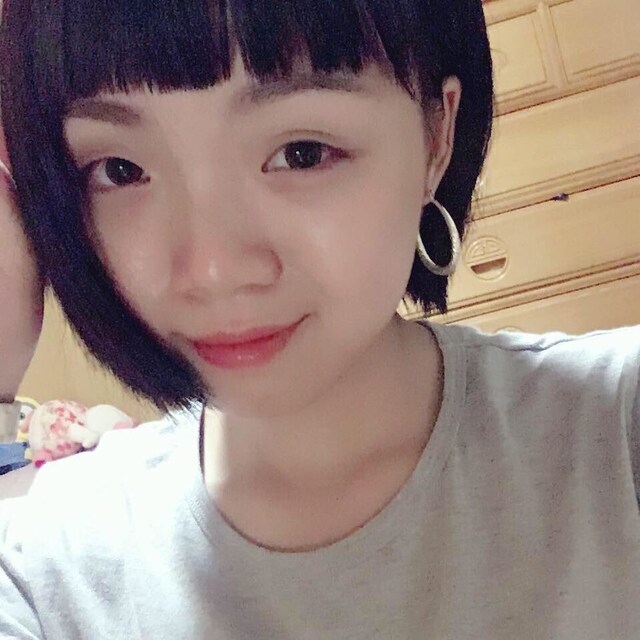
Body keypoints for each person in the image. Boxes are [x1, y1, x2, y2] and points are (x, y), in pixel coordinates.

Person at [0, 0, 638, 638]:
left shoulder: (615, 436)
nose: (213, 270)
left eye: (301, 153)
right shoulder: (49, 569)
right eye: (121, 171)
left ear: (437, 137)